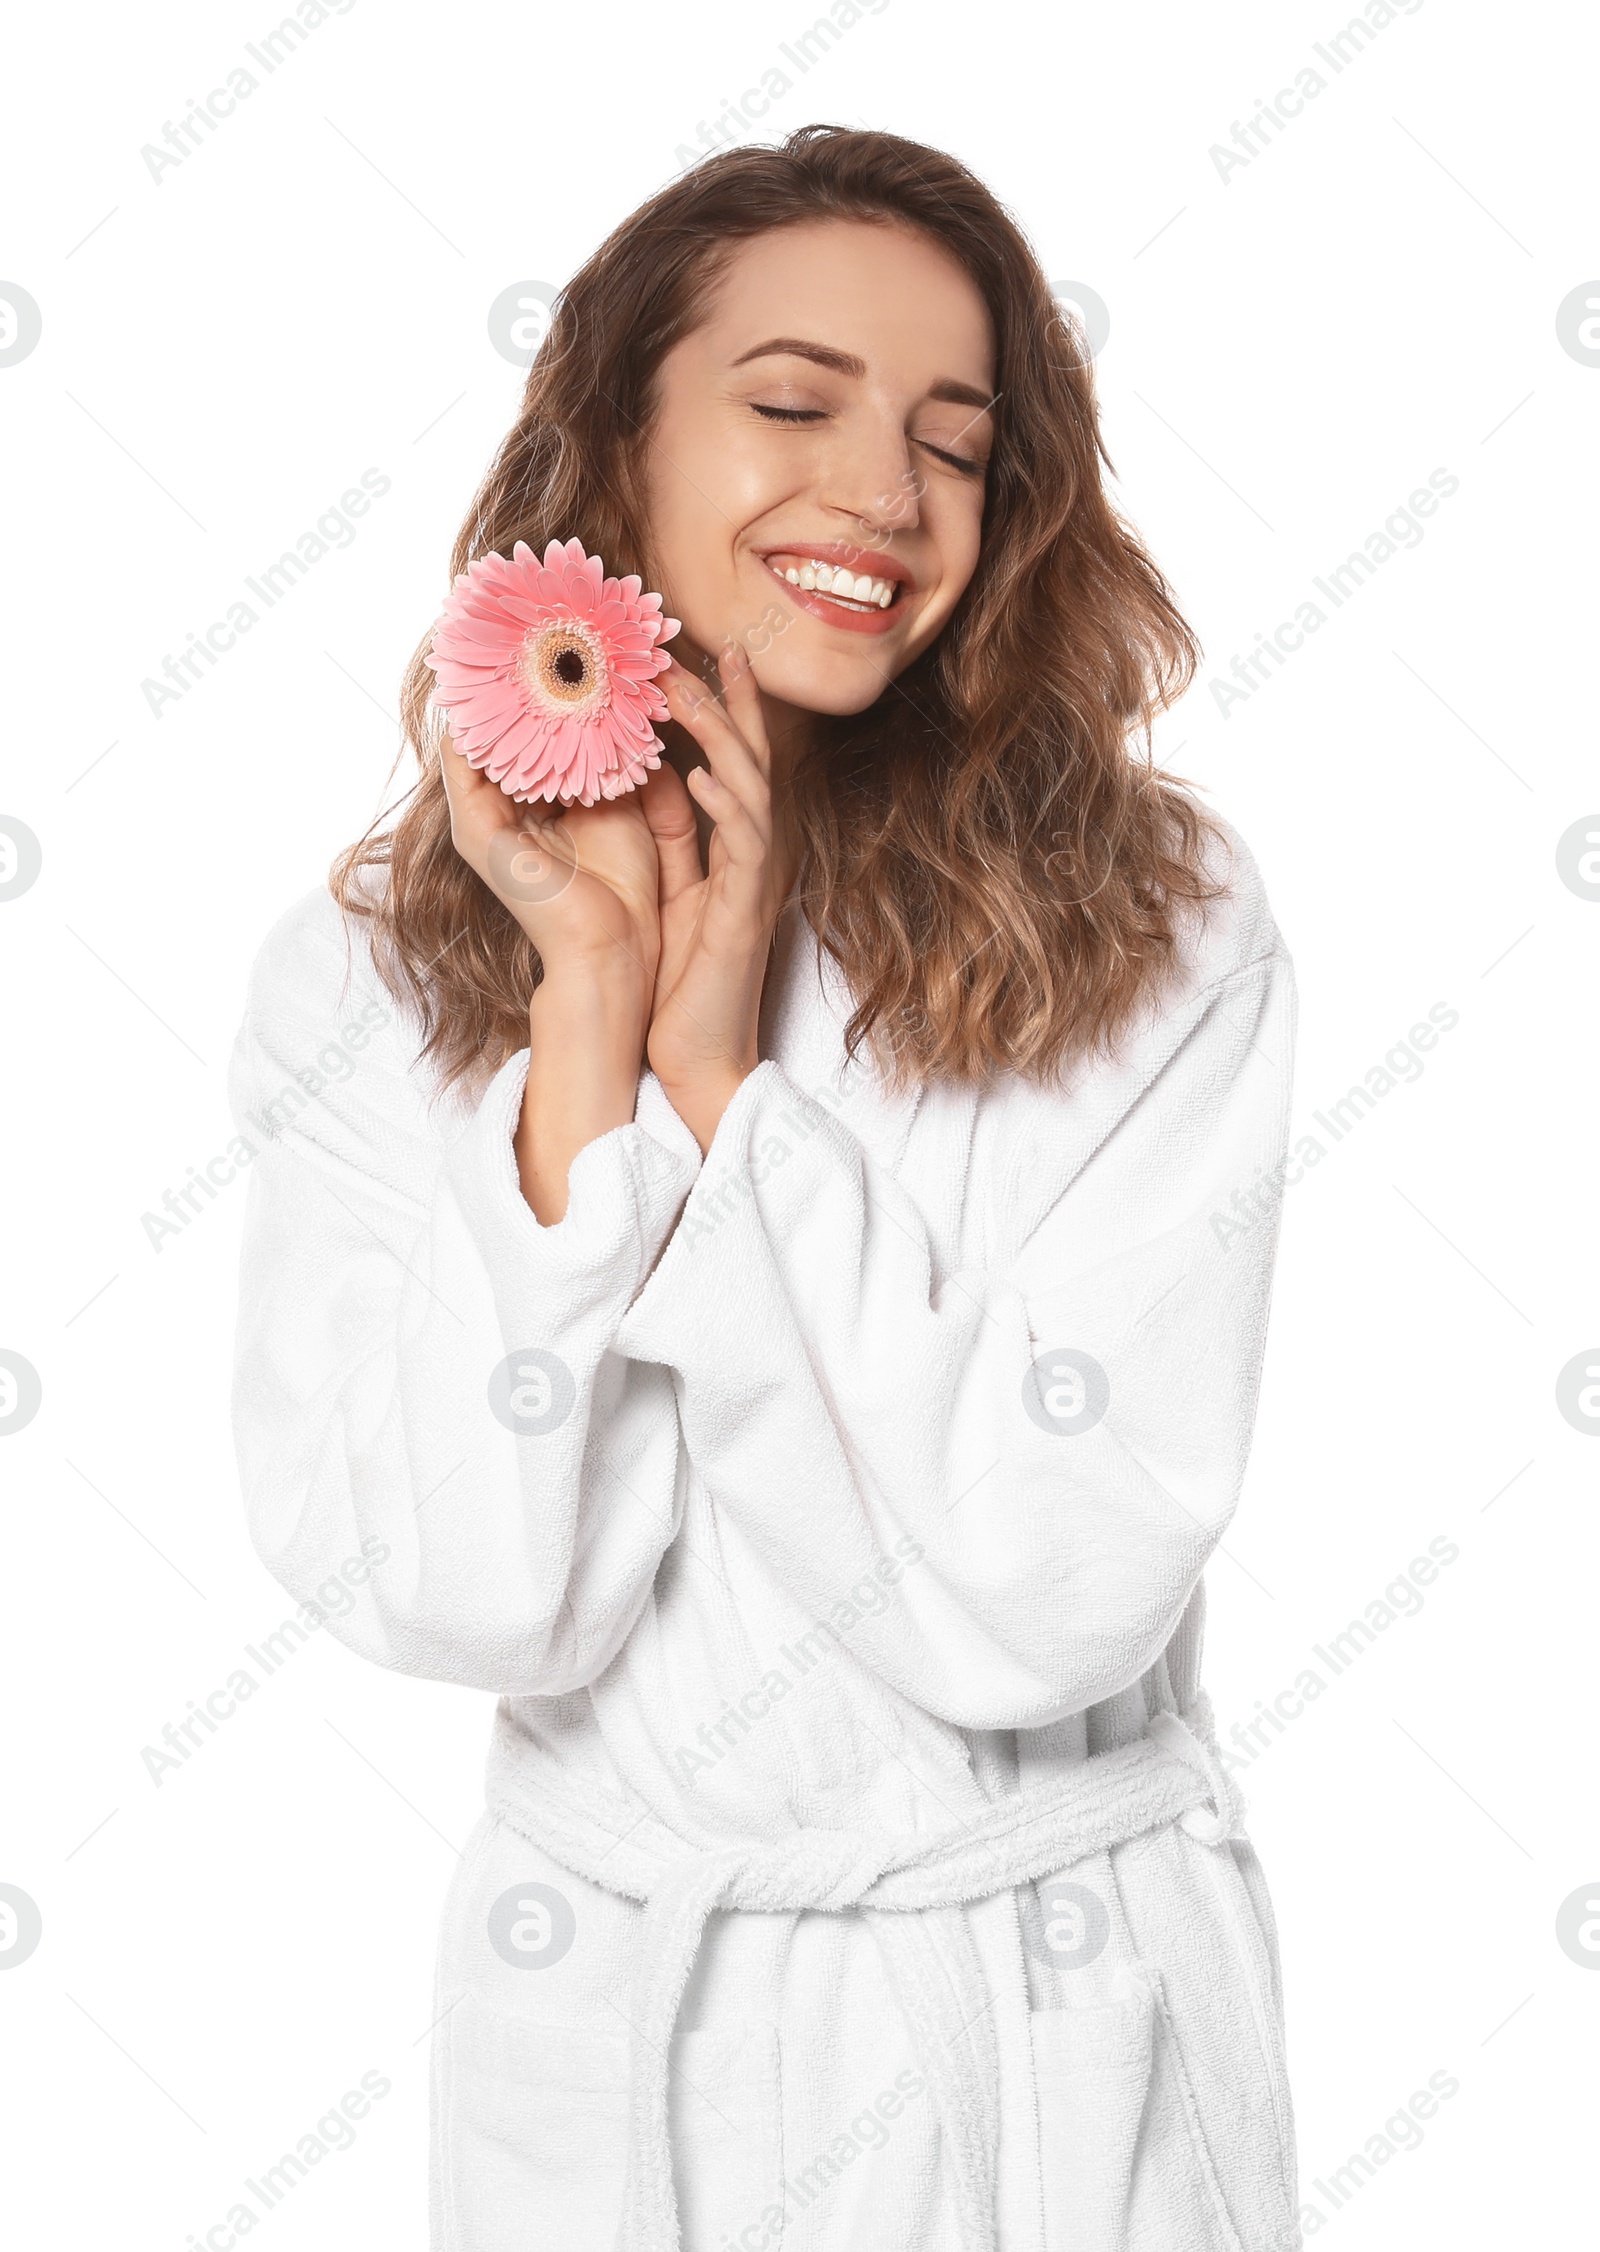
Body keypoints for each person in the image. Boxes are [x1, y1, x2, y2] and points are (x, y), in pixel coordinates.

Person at [229, 124, 1300, 2252]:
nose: (883, 498)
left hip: (1042, 2032)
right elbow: (464, 1593)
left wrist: (723, 1091)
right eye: (792, 404)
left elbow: (1048, 1589)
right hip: (616, 2049)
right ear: (609, 450)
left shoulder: (1155, 930)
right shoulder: (366, 983)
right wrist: (591, 1019)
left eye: (955, 441)